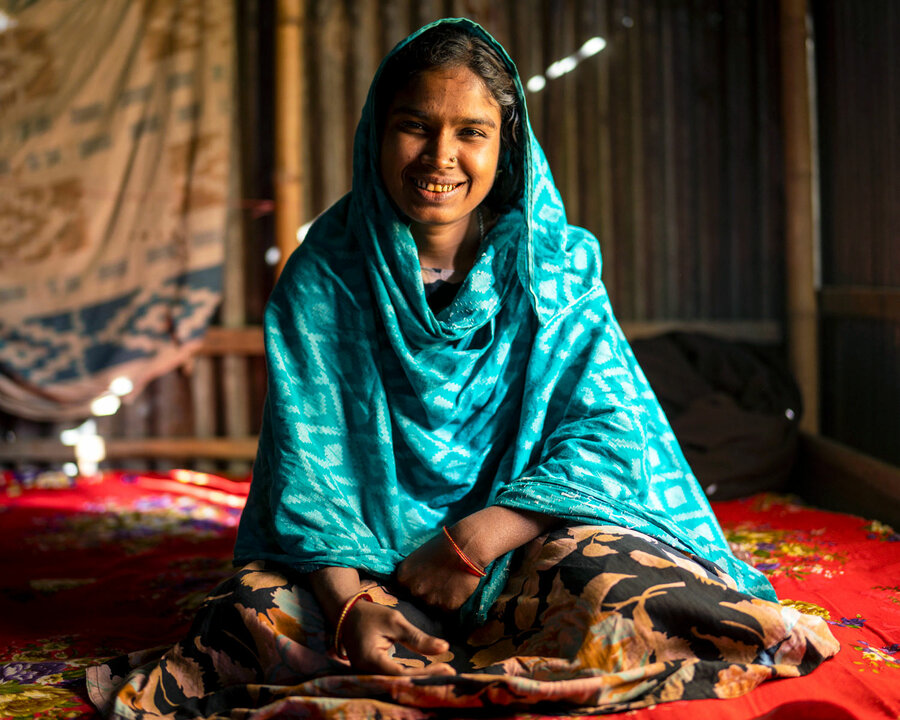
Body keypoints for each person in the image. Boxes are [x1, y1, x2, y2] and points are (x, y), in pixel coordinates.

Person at [88, 18, 837, 719]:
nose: (440, 158)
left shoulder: (554, 267)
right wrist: (350, 608)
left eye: (470, 133)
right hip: (367, 559)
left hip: (523, 542)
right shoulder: (323, 278)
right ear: (378, 134)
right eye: (415, 126)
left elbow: (610, 435)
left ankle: (438, 654)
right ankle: (393, 645)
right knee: (249, 614)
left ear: (504, 147)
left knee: (629, 593)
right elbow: (309, 480)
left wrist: (473, 541)